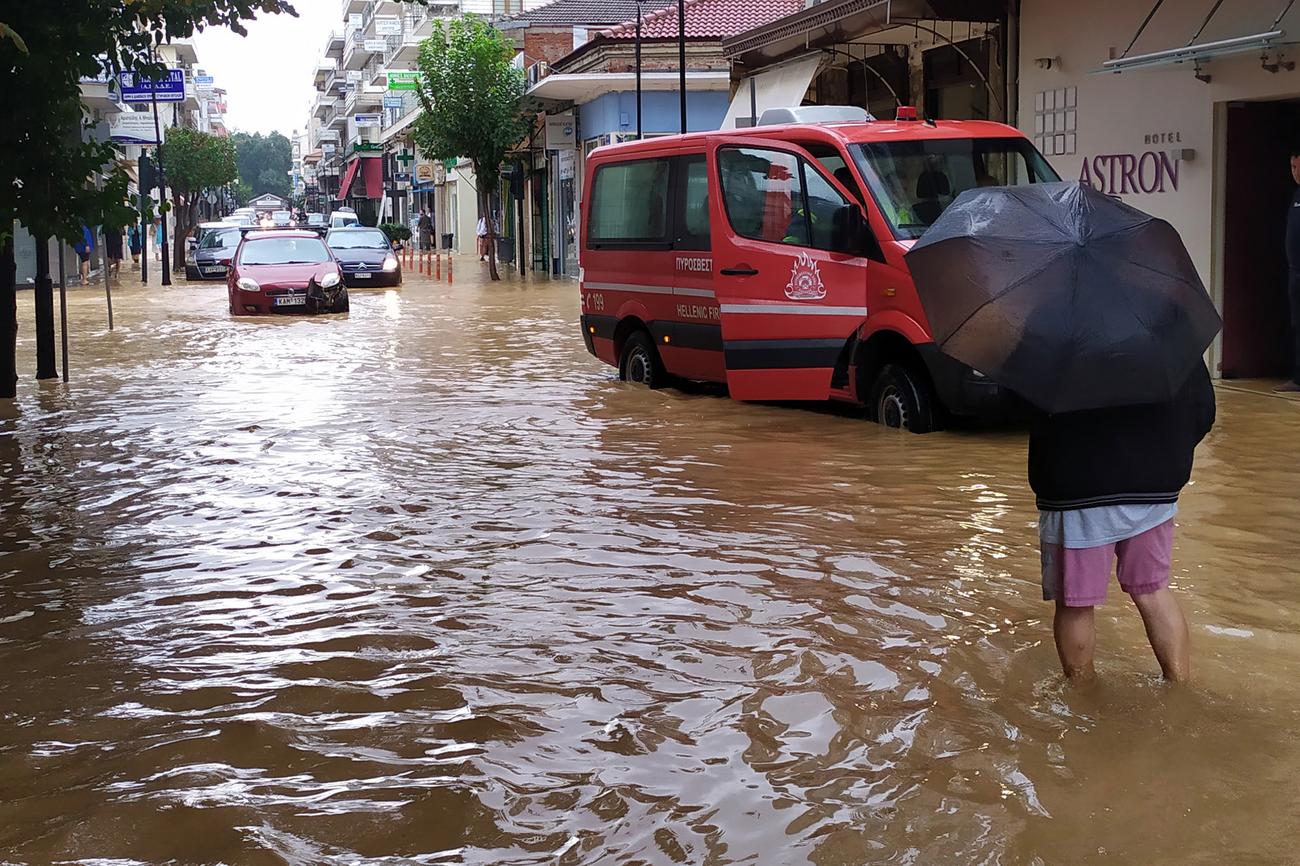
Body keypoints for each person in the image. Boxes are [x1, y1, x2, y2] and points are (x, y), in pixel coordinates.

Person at [1031, 362, 1216, 682]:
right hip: (1155, 487)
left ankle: (1082, 705)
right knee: (1154, 590)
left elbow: (1017, 401)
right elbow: (1203, 410)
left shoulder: (1053, 325)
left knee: (1076, 602)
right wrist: (1164, 455)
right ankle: (1180, 691)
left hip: (1077, 487)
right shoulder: (1166, 323)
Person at [1278, 146, 1300, 392]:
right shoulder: (1295, 194)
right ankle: (1298, 377)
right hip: (1295, 274)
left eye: (1298, 166)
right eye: (1292, 167)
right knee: (1297, 325)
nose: (1295, 172)